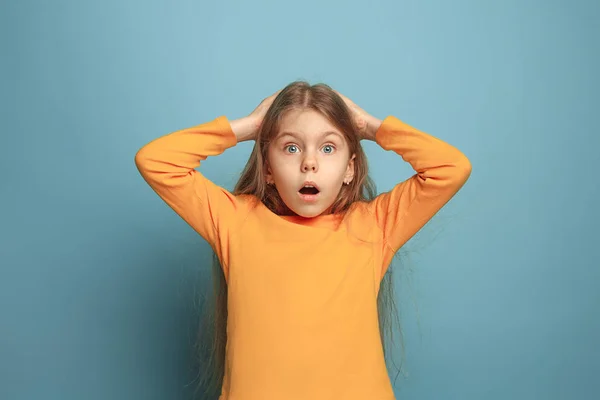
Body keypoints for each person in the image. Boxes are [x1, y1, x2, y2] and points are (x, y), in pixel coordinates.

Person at [135, 80, 472, 400]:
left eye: (328, 148)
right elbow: (157, 162)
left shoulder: (373, 227)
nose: (309, 163)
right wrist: (250, 127)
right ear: (267, 168)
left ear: (350, 169)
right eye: (291, 147)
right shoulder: (236, 222)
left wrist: (370, 127)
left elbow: (450, 168)